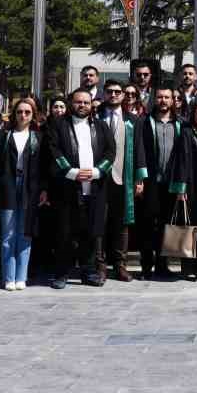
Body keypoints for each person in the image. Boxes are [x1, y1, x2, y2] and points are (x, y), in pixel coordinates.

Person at [43, 87, 114, 287]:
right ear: (70, 103)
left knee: (91, 232)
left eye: (85, 102)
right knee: (65, 232)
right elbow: (53, 151)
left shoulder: (101, 126)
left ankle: (89, 272)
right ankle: (61, 273)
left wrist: (98, 171)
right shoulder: (57, 125)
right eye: (78, 102)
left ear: (91, 104)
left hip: (94, 186)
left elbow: (110, 152)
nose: (82, 105)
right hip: (67, 187)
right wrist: (72, 172)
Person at [0, 98, 42, 290]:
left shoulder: (38, 137)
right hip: (8, 187)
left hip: (30, 188)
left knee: (25, 233)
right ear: (14, 114)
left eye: (27, 112)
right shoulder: (4, 135)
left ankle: (22, 276)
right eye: (20, 112)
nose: (23, 115)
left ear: (33, 115)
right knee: (8, 234)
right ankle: (9, 277)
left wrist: (43, 190)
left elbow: (43, 166)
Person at [163, 100, 197, 280]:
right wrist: (181, 189)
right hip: (191, 189)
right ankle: (187, 268)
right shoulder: (186, 133)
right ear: (194, 116)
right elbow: (181, 161)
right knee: (189, 229)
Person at [98, 81, 145, 282]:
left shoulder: (133, 120)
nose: (114, 95)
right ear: (104, 94)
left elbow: (139, 150)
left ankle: (120, 265)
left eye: (118, 92)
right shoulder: (94, 117)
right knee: (99, 222)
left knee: (122, 223)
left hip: (122, 178)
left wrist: (139, 178)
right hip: (98, 179)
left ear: (124, 95)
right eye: (110, 92)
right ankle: (99, 265)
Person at [135, 87, 182, 280]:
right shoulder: (145, 122)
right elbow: (139, 151)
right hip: (150, 182)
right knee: (147, 224)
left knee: (166, 225)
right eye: (160, 97)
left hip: (171, 183)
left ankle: (163, 265)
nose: (163, 100)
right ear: (155, 100)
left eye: (167, 97)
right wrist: (140, 179)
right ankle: (146, 266)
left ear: (173, 100)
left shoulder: (180, 124)